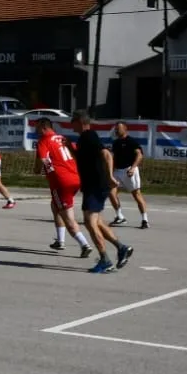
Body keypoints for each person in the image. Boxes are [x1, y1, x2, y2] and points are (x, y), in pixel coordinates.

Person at [72, 111, 133, 273]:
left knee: (89, 222)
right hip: (92, 185)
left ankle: (105, 260)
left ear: (80, 122)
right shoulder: (84, 139)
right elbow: (83, 160)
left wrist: (110, 176)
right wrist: (70, 148)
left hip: (96, 185)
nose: (71, 124)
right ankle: (122, 248)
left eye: (73, 121)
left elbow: (106, 154)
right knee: (98, 222)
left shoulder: (89, 136)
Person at [34, 118, 92, 257]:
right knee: (55, 206)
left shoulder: (44, 141)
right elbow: (76, 154)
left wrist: (41, 169)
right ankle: (60, 240)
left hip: (61, 182)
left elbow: (42, 159)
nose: (35, 130)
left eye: (37, 127)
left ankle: (84, 244)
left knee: (68, 217)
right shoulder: (62, 138)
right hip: (75, 178)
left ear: (44, 127)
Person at [108, 121, 149, 228]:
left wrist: (133, 167)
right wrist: (111, 172)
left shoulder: (131, 142)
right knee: (111, 192)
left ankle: (145, 220)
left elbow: (139, 155)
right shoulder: (115, 143)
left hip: (129, 170)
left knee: (136, 195)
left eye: (118, 129)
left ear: (125, 129)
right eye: (116, 129)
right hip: (118, 171)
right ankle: (120, 217)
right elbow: (113, 158)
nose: (116, 131)